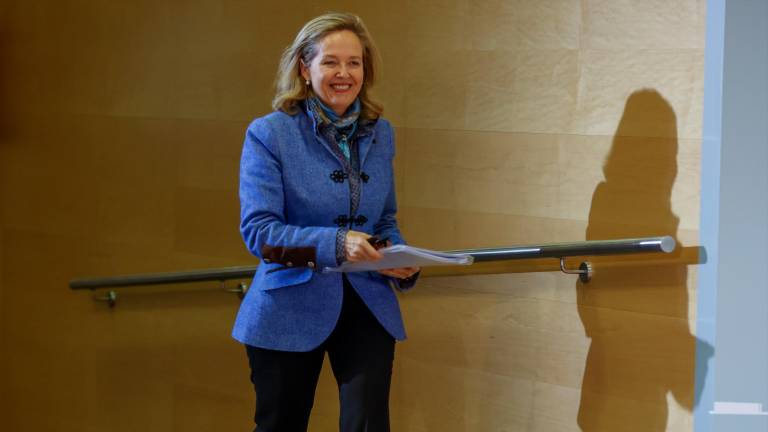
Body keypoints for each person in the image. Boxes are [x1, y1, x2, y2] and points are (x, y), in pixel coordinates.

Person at [232, 12, 420, 432]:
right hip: (289, 306)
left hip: (368, 300)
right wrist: (336, 243)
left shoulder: (380, 132)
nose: (344, 73)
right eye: (330, 62)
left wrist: (396, 254)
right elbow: (261, 235)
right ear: (305, 67)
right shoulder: (270, 133)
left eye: (354, 63)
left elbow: (384, 217)